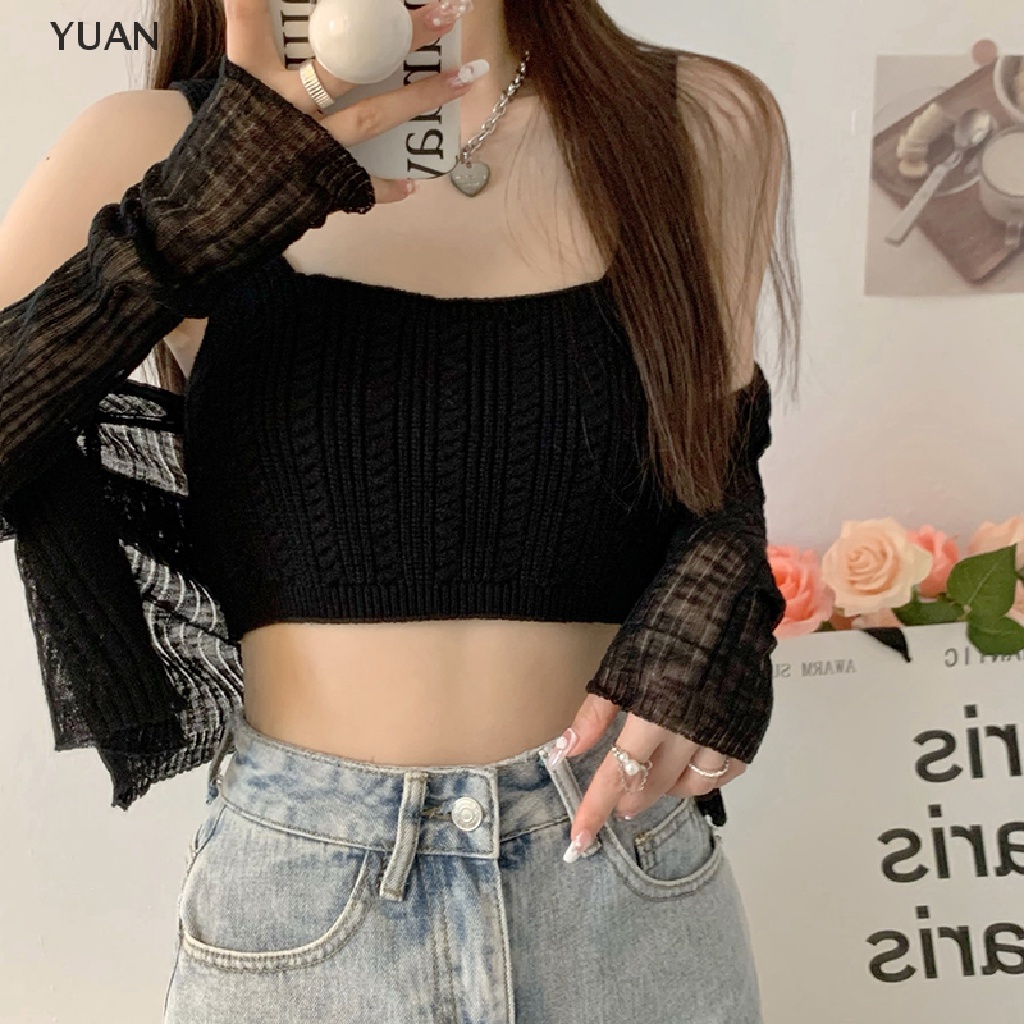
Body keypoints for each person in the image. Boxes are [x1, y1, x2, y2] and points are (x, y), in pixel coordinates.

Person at [0, 0, 800, 1020]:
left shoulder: (701, 121)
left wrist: (719, 596)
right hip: (309, 903)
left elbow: (719, 466)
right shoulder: (150, 142)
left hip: (621, 883)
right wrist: (199, 211)